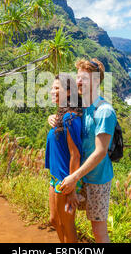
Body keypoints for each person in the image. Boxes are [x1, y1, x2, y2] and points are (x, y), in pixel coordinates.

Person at [48, 59, 117, 243]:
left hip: (96, 179)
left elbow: (100, 152)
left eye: (84, 78)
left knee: (98, 232)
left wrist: (74, 177)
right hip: (80, 177)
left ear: (96, 81)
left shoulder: (104, 111)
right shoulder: (83, 107)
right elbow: (66, 115)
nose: (78, 81)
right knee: (64, 219)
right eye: (77, 77)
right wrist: (53, 116)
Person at [45, 73, 84, 243]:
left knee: (67, 224)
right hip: (56, 177)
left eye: (56, 88)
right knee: (55, 220)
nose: (52, 91)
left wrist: (72, 187)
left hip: (65, 180)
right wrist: (50, 119)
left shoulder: (70, 117)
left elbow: (75, 155)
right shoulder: (63, 116)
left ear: (68, 92)